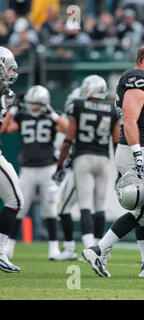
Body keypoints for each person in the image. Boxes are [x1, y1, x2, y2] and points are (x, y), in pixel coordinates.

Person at [82, 43, 144, 278]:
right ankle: (99, 248)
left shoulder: (139, 78)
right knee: (143, 210)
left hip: (142, 149)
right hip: (139, 150)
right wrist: (137, 153)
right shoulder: (137, 78)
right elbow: (130, 118)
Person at [1, 85, 68, 260]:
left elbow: (68, 129)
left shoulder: (52, 116)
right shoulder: (23, 116)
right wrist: (14, 109)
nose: (34, 107)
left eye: (37, 104)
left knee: (50, 209)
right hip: (28, 168)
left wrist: (51, 112)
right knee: (19, 208)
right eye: (31, 103)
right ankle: (9, 247)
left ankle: (53, 249)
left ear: (45, 103)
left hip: (48, 168)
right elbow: (4, 128)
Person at [54, 75, 119, 253]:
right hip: (103, 159)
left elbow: (69, 139)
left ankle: (90, 247)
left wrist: (60, 165)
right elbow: (115, 142)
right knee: (100, 205)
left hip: (83, 158)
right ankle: (99, 248)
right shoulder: (112, 108)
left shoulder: (78, 105)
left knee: (85, 205)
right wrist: (120, 167)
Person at [0, 46, 24, 273]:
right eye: (8, 68)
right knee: (15, 199)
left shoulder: (5, 93)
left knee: (15, 200)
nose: (11, 73)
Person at [51, 87, 82, 261]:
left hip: (77, 166)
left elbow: (66, 144)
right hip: (92, 165)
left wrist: (61, 164)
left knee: (64, 207)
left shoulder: (75, 119)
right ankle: (95, 247)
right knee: (91, 208)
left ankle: (73, 247)